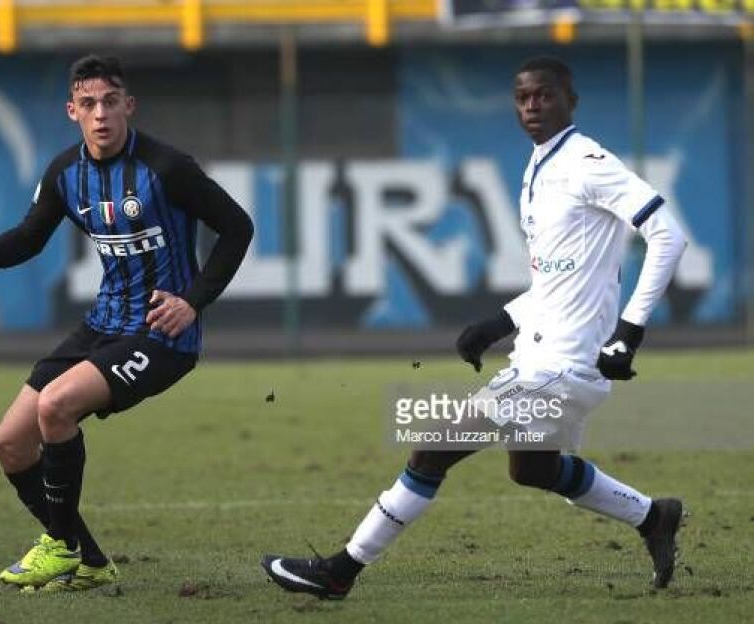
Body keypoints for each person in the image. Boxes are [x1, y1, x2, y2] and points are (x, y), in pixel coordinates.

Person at [261, 56, 688, 598]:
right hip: (541, 355)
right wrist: (500, 322)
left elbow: (668, 235)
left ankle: (339, 571)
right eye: (523, 97)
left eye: (545, 95)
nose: (532, 106)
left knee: (431, 449)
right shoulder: (540, 166)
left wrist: (630, 331)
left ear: (570, 100)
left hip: (562, 365)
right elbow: (558, 278)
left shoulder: (588, 162)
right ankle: (654, 516)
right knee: (532, 470)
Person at [0, 55, 253, 592]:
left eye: (110, 102)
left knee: (56, 406)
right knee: (10, 444)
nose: (100, 113)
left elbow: (237, 227)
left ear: (129, 105)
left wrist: (192, 302)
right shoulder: (65, 173)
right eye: (88, 104)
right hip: (101, 324)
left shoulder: (168, 168)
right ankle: (91, 560)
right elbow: (30, 237)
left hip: (161, 334)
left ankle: (60, 547)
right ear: (72, 111)